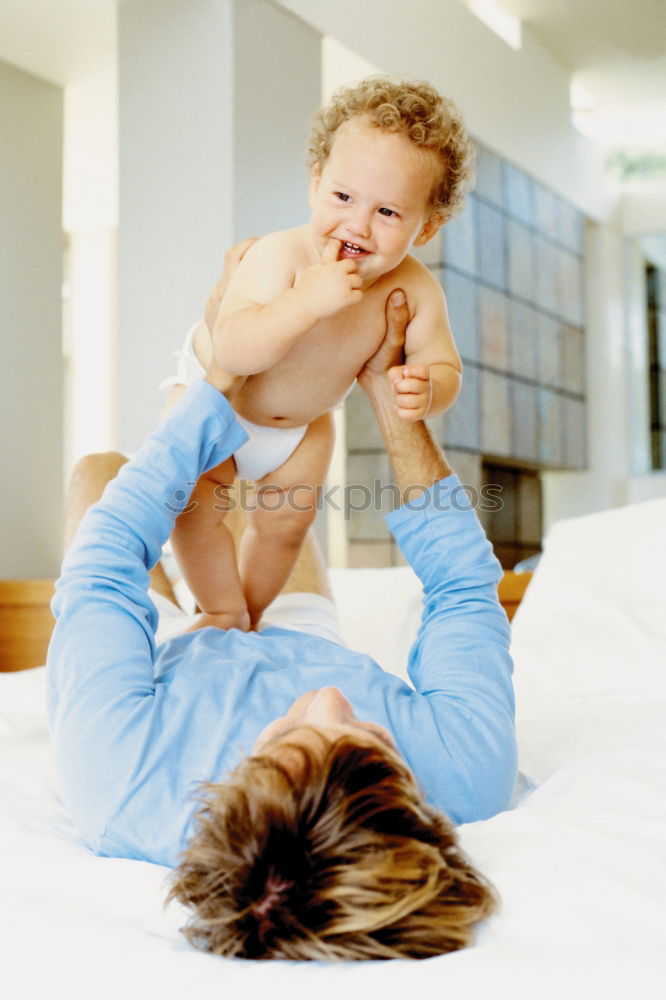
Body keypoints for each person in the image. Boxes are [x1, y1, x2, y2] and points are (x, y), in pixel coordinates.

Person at [47, 259, 516, 961]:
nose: (328, 699)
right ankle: (223, 566)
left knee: (99, 476)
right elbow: (463, 591)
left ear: (227, 783)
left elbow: (101, 572)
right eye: (374, 739)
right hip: (302, 632)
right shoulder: (468, 774)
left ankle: (206, 589)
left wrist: (221, 380)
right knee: (268, 505)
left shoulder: (120, 781)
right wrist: (391, 394)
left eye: (292, 735)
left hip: (174, 658)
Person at [162, 76, 472, 631]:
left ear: (428, 226)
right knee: (193, 508)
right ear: (314, 185)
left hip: (302, 428)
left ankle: (248, 614)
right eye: (343, 197)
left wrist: (429, 386)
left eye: (388, 213)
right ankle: (219, 609)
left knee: (285, 527)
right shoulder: (280, 255)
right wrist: (306, 302)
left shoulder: (417, 289)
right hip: (219, 401)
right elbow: (232, 348)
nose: (357, 223)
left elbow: (445, 364)